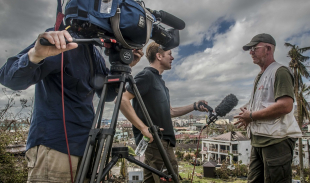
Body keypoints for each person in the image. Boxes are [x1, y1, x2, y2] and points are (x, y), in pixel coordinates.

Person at [0, 29, 144, 182]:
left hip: (86, 146)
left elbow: (106, 94)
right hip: (57, 146)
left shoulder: (94, 53)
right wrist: (36, 54)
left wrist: (122, 67)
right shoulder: (63, 40)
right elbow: (9, 78)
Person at [120, 42, 208, 183]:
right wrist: (143, 128)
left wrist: (195, 106)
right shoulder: (146, 75)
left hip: (162, 141)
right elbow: (122, 99)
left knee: (150, 180)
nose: (172, 58)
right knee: (170, 179)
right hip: (156, 140)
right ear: (159, 56)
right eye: (170, 54)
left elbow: (171, 112)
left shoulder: (161, 83)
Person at [234, 33, 302, 183]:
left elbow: (285, 105)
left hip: (276, 142)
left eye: (254, 48)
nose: (251, 52)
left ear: (268, 49)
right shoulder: (260, 76)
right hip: (258, 141)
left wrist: (251, 116)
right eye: (250, 49)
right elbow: (260, 105)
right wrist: (248, 117)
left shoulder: (280, 71)